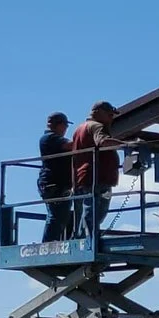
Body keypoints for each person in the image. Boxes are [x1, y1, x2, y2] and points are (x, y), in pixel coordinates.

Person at [67, 101, 119, 238]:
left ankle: (81, 238)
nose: (111, 118)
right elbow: (103, 142)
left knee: (86, 212)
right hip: (97, 177)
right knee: (95, 212)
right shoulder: (97, 126)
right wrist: (128, 145)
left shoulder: (79, 129)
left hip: (82, 178)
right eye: (109, 114)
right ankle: (88, 240)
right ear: (98, 113)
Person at [35, 110, 72, 240]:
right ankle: (48, 244)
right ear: (60, 125)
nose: (66, 129)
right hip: (53, 184)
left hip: (54, 183)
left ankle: (51, 242)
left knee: (60, 215)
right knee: (57, 216)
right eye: (66, 125)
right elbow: (70, 146)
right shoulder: (50, 138)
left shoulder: (51, 138)